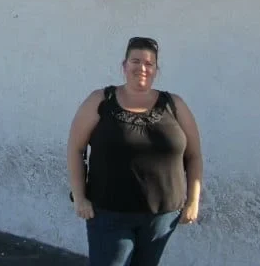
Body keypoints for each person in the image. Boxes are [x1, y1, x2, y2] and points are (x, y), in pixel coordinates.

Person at [66, 36, 203, 266]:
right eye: (135, 61)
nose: (142, 68)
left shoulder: (174, 104)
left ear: (156, 70)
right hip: (109, 214)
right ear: (124, 66)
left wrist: (193, 201)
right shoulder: (100, 100)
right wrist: (79, 198)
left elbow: (194, 155)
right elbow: (75, 148)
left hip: (162, 216)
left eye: (149, 64)